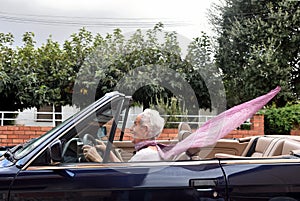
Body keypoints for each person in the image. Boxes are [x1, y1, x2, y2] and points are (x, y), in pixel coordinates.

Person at [82, 109, 165, 162]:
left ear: (145, 130)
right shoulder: (150, 151)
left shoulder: (145, 155)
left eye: (135, 124)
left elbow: (121, 179)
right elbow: (124, 169)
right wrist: (107, 151)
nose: (131, 129)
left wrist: (96, 158)